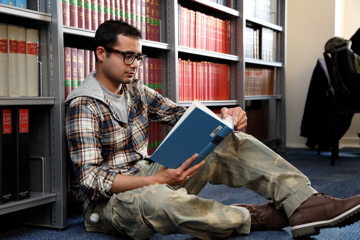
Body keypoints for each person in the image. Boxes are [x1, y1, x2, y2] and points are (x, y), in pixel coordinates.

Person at [65, 19, 360, 240]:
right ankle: (256, 217)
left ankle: (303, 200)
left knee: (226, 140)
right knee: (160, 201)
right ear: (101, 53)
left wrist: (224, 117)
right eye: (127, 56)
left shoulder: (135, 89)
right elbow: (90, 179)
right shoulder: (84, 103)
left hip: (148, 174)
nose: (135, 65)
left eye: (138, 57)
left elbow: (178, 114)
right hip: (110, 205)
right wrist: (156, 179)